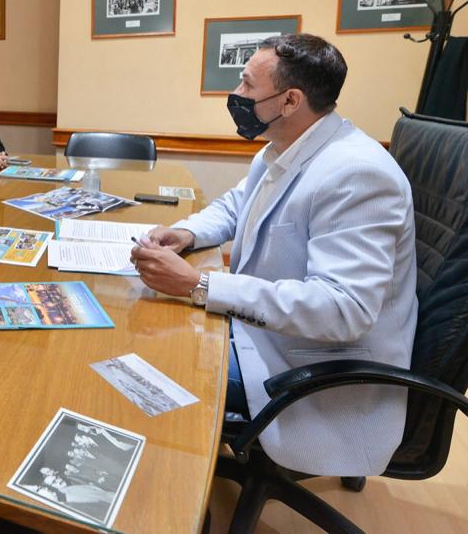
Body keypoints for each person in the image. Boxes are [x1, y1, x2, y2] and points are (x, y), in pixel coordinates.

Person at [129, 33, 417, 478]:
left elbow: (344, 310)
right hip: (269, 338)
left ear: (289, 101)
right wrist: (186, 232)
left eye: (247, 85)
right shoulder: (287, 148)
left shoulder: (357, 173)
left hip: (310, 372)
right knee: (155, 336)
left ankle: (173, 500)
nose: (238, 95)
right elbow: (236, 204)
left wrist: (199, 284)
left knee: (147, 371)